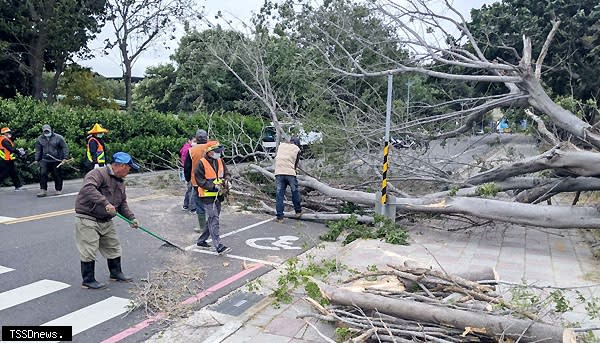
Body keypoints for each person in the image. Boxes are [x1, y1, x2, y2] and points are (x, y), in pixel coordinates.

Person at [74, 152, 140, 289]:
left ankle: (115, 273)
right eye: (128, 168)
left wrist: (131, 218)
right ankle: (88, 280)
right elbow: (88, 188)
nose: (129, 171)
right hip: (88, 217)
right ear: (120, 165)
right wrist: (105, 203)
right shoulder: (98, 173)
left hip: (106, 220)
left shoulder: (120, 182)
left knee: (113, 246)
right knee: (89, 248)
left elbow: (122, 204)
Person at [194, 142, 232, 255]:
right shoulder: (201, 163)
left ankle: (201, 240)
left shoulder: (220, 161)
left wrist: (227, 181)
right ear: (209, 152)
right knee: (214, 218)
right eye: (217, 151)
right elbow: (199, 180)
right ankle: (218, 245)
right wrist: (212, 186)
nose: (219, 154)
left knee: (211, 219)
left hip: (218, 195)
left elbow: (226, 173)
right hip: (207, 196)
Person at [184, 129, 210, 232]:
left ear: (196, 139)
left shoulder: (192, 151)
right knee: (211, 203)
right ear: (206, 138)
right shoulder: (211, 148)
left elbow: (187, 167)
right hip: (211, 181)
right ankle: (213, 224)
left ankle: (202, 226)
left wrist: (187, 179)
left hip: (196, 182)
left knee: (199, 204)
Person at [34, 124, 69, 197]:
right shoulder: (39, 139)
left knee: (57, 174)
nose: (47, 132)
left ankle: (58, 190)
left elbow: (64, 147)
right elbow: (38, 150)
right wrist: (37, 159)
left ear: (51, 130)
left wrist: (65, 158)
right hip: (45, 160)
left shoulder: (59, 138)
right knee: (42, 174)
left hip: (56, 159)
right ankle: (43, 190)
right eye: (45, 131)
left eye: (48, 131)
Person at [274, 137, 303, 223]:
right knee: (295, 191)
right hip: (290, 173)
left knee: (279, 195)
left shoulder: (281, 145)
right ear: (297, 144)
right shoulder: (297, 149)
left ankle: (280, 217)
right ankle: (298, 211)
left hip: (278, 172)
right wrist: (295, 170)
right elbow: (295, 164)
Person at [180, 135, 196, 213]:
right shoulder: (189, 150)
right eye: (194, 141)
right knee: (192, 189)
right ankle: (192, 208)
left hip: (186, 171)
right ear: (189, 141)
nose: (195, 143)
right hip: (189, 171)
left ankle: (186, 205)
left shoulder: (185, 148)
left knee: (189, 189)